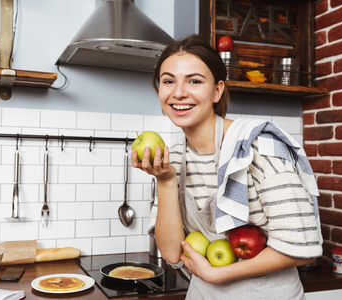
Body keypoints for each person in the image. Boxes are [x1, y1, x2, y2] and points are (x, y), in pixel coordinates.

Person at [131, 34, 322, 299]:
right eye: (168, 81)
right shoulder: (171, 156)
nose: (178, 93)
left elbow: (303, 246)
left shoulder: (257, 146)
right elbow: (173, 253)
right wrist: (165, 180)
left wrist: (217, 274)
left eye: (194, 81)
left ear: (217, 91)